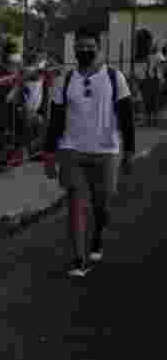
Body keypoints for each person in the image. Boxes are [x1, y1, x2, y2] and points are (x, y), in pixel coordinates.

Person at [43, 26, 136, 278]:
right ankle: (78, 259)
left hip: (107, 153)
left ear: (99, 48)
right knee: (75, 204)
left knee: (101, 205)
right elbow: (55, 121)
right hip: (72, 151)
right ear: (74, 49)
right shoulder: (65, 80)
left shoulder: (115, 78)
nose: (84, 51)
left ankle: (97, 238)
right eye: (79, 47)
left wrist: (129, 152)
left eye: (89, 47)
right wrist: (49, 154)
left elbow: (127, 118)